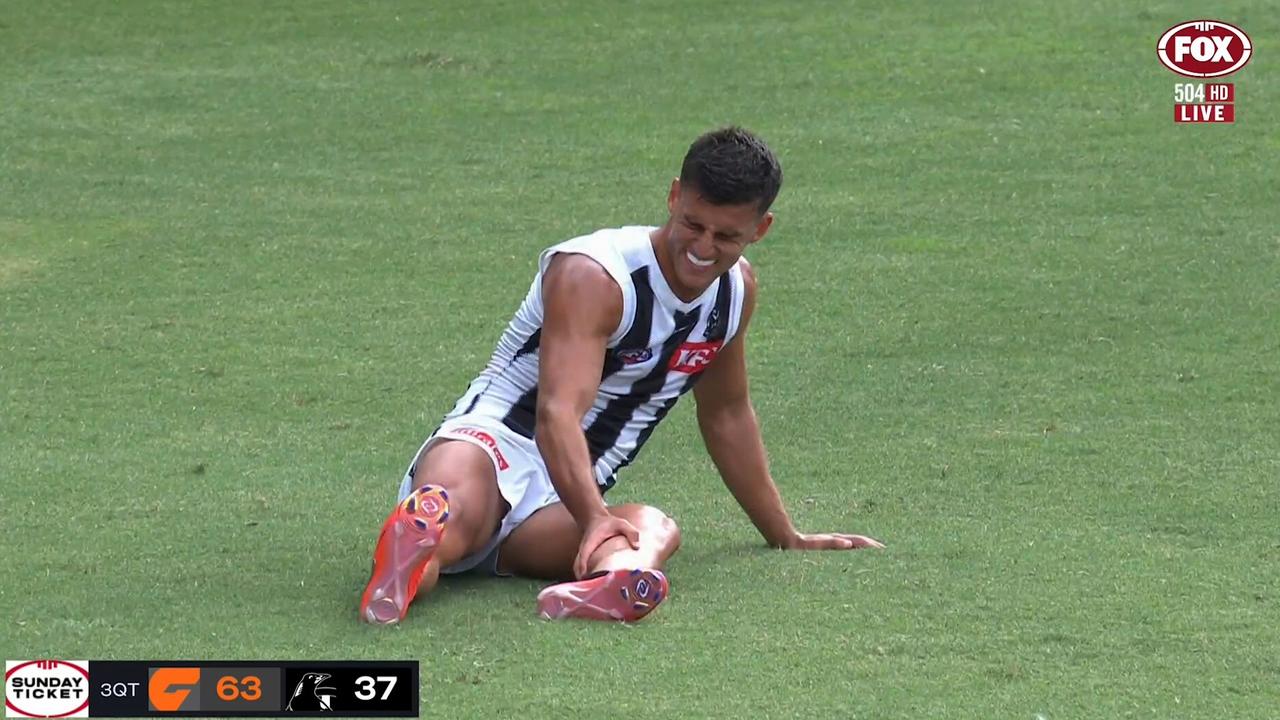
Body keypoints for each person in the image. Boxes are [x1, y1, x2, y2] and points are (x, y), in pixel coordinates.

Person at [359, 126, 884, 625]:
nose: (703, 248)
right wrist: (592, 518)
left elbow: (726, 414)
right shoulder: (595, 274)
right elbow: (556, 412)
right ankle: (405, 561)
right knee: (453, 513)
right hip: (492, 442)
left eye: (727, 236)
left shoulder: (734, 293)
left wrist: (785, 534)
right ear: (675, 196)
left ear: (760, 229)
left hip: (563, 498)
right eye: (693, 224)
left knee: (654, 528)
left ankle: (608, 584)